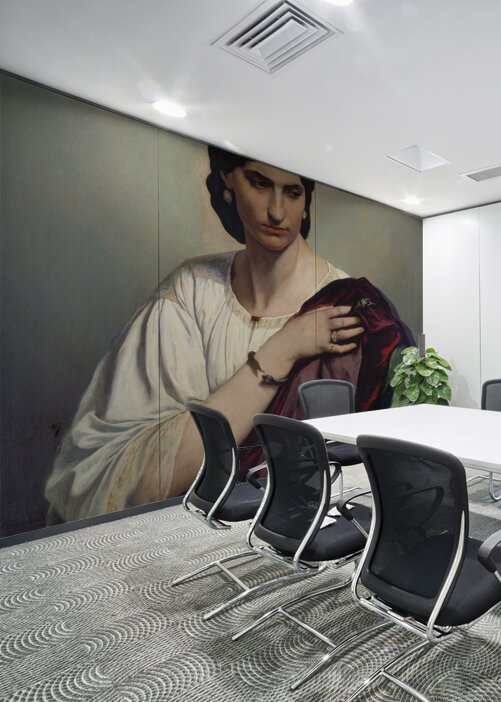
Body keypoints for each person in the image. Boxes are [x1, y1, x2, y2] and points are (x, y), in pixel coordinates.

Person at [45, 146, 413, 523]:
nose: (276, 211)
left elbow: (358, 462)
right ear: (228, 182)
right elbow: (143, 480)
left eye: (292, 192)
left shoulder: (345, 306)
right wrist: (281, 350)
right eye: (258, 183)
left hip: (294, 513)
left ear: (305, 203)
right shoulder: (192, 291)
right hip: (181, 531)